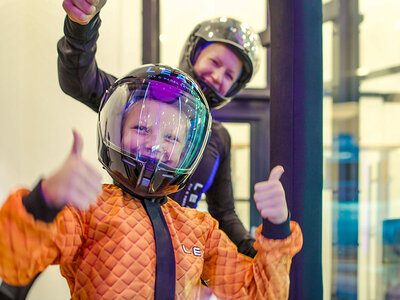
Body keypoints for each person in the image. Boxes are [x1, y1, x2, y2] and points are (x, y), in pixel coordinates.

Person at [0, 64, 302, 299]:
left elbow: (259, 294)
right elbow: (13, 263)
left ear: (187, 150)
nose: (155, 144)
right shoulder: (88, 210)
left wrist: (277, 227)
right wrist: (44, 200)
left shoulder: (200, 228)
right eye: (142, 128)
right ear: (116, 131)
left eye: (171, 137)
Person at [57, 0, 262, 257]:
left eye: (230, 75)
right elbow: (79, 79)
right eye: (215, 62)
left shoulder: (219, 138)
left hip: (182, 262)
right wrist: (81, 27)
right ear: (195, 53)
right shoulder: (140, 98)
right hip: (122, 247)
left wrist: (256, 253)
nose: (219, 76)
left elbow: (224, 212)